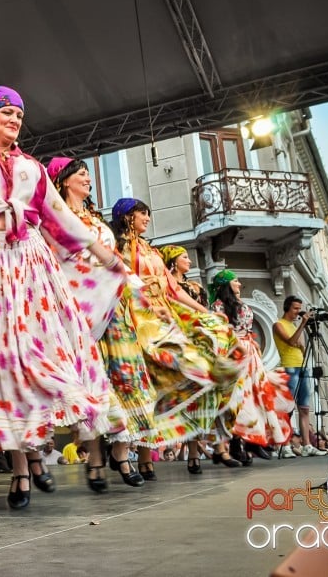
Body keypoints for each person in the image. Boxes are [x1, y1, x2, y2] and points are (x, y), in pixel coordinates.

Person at [0, 86, 128, 510]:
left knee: (41, 356)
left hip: (30, 266)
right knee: (2, 364)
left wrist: (104, 255)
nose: (14, 119)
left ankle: (35, 452)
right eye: (6, 112)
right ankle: (23, 467)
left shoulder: (32, 167)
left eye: (20, 115)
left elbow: (59, 216)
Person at [48, 158, 194, 487]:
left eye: (88, 173)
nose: (88, 178)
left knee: (129, 379)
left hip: (115, 311)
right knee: (94, 387)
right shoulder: (56, 218)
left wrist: (144, 294)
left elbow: (116, 266)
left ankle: (121, 454)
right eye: (80, 173)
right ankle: (97, 461)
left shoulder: (96, 221)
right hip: (80, 312)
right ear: (64, 180)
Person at [108, 202, 245, 476]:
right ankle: (135, 454)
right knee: (147, 385)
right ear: (126, 217)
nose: (147, 217)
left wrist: (205, 312)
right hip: (137, 317)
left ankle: (158, 450)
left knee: (191, 370)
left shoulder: (151, 250)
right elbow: (117, 281)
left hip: (164, 315)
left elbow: (171, 289)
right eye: (142, 213)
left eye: (149, 213)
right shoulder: (117, 246)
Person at [208, 270, 294, 460]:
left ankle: (251, 440)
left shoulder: (239, 304)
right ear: (227, 284)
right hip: (233, 354)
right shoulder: (218, 307)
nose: (239, 284)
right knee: (238, 398)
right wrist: (239, 345)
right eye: (236, 281)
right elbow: (221, 333)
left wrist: (252, 344)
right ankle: (238, 443)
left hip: (250, 354)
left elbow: (246, 330)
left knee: (257, 396)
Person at [272, 296, 328, 457]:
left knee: (304, 408)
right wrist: (302, 324)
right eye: (295, 308)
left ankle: (307, 445)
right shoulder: (278, 324)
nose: (298, 312)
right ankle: (285, 445)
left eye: (299, 308)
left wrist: (302, 330)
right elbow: (291, 342)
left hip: (302, 367)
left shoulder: (294, 325)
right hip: (289, 368)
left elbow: (302, 347)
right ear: (287, 308)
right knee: (287, 409)